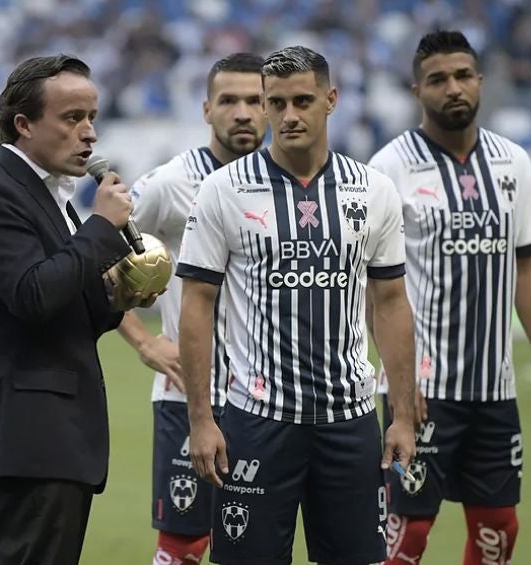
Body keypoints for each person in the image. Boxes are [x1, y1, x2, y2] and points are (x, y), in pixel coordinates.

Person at [178, 45, 417, 565]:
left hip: (349, 421)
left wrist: (400, 413)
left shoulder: (373, 190)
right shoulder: (223, 190)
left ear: (331, 100)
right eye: (277, 102)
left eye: (303, 101)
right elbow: (196, 303)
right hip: (259, 419)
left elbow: (392, 301)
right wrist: (200, 417)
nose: (288, 116)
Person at [366, 30, 531, 565]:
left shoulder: (513, 163)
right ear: (417, 91)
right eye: (437, 79)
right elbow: (374, 287)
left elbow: (529, 262)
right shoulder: (388, 169)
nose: (452, 88)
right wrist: (399, 383)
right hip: (423, 389)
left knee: (499, 527)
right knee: (406, 533)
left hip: (494, 387)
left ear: (480, 82)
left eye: (461, 76)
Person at [0, 54, 152, 564]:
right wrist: (101, 229)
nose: (90, 133)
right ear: (23, 124)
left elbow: (62, 308)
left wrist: (116, 298)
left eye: (92, 117)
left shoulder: (48, 197)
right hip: (25, 442)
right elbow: (32, 295)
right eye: (72, 118)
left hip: (50, 441)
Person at [115, 52, 267, 564]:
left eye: (255, 100)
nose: (242, 112)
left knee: (256, 545)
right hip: (189, 396)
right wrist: (143, 339)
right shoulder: (171, 182)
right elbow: (94, 260)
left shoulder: (286, 185)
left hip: (273, 402)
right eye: (229, 100)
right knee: (182, 548)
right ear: (207, 109)